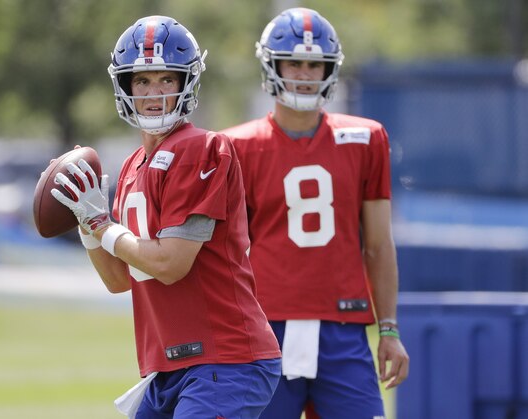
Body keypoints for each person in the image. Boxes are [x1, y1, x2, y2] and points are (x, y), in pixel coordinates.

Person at [50, 15, 281, 418]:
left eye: (166, 80)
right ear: (124, 86)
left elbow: (170, 264)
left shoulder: (202, 148)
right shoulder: (132, 166)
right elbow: (120, 279)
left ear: (185, 84)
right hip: (169, 367)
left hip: (225, 359)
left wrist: (103, 226)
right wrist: (88, 227)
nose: (154, 93)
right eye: (142, 81)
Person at [221, 8, 410, 419]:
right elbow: (224, 256)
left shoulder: (365, 138)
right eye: (294, 62)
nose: (305, 74)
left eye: (315, 64)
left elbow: (378, 244)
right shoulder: (235, 146)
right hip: (265, 329)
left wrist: (389, 329)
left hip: (342, 329)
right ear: (273, 65)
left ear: (330, 69)